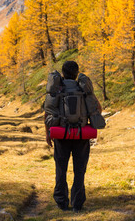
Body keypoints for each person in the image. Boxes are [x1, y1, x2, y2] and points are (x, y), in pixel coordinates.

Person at [45, 61, 102, 212]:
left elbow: (48, 111)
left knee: (61, 169)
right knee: (79, 169)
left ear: (62, 73)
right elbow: (97, 108)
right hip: (81, 136)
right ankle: (77, 204)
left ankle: (61, 202)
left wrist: (48, 134)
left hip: (61, 135)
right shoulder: (84, 88)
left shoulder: (57, 88)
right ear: (77, 73)